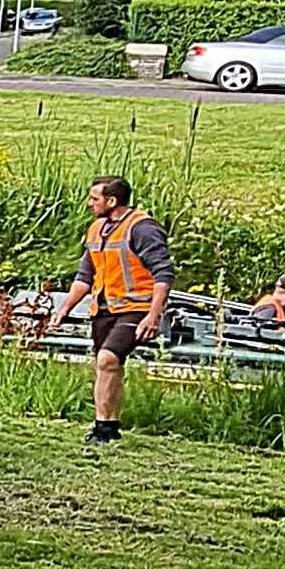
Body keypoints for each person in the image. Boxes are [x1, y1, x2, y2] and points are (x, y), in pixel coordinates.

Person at [35, 175, 172, 446]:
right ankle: (106, 426)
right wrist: (64, 310)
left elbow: (163, 274)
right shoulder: (96, 229)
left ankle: (104, 429)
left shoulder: (142, 228)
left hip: (137, 308)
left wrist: (153, 316)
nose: (89, 204)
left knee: (108, 358)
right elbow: (85, 276)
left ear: (112, 201)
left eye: (94, 198)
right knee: (107, 365)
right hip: (105, 308)